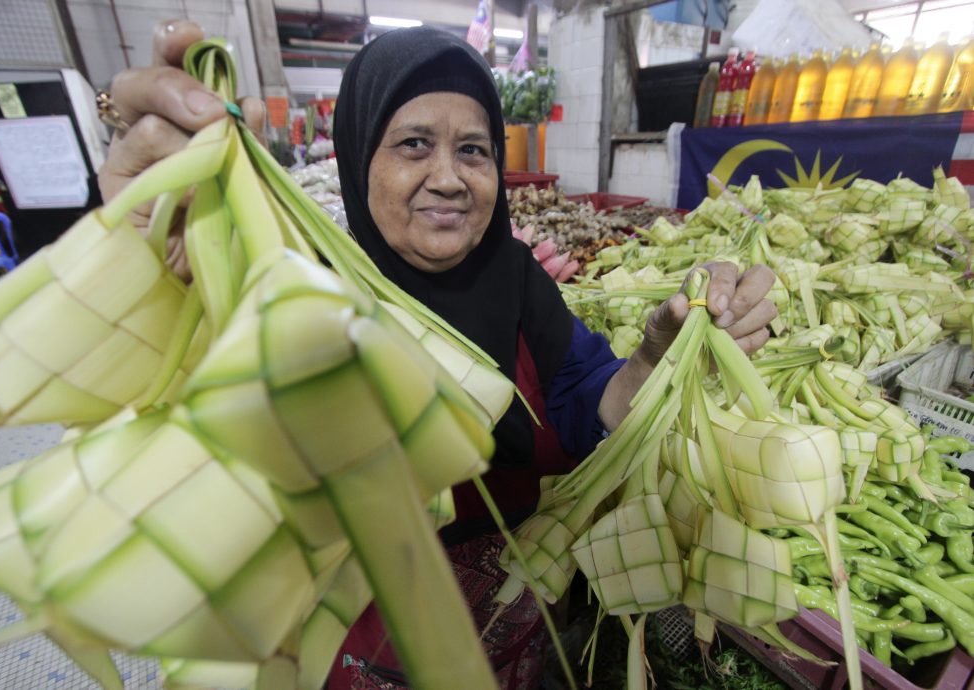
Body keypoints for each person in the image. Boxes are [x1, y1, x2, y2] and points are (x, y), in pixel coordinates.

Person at [98, 20, 777, 690]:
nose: (449, 178)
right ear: (360, 154)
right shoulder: (299, 300)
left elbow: (591, 401)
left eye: (474, 150)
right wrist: (161, 270)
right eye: (414, 144)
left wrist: (655, 357)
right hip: (351, 656)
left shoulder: (516, 283)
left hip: (509, 644)